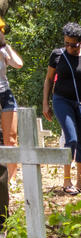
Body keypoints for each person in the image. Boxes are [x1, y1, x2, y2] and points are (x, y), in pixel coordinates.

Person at [42, 22, 81, 194]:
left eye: (73, 44)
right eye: (66, 43)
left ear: (80, 42)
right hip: (62, 101)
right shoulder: (57, 55)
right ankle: (66, 180)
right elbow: (48, 79)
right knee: (72, 138)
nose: (69, 47)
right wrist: (45, 103)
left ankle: (79, 182)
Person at [0, 18, 23, 183]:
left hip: (5, 94)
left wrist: (5, 46)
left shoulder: (3, 50)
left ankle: (12, 179)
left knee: (11, 138)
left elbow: (18, 64)